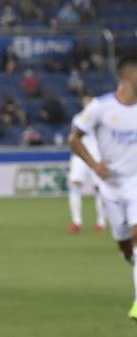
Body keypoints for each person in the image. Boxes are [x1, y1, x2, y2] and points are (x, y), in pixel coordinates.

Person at [70, 52, 137, 320]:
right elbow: (74, 139)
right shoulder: (100, 107)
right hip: (110, 184)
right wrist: (95, 164)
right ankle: (130, 260)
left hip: (136, 182)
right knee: (123, 242)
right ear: (129, 76)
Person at [66, 97, 108, 234]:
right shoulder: (77, 118)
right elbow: (74, 137)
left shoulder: (102, 119)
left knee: (99, 188)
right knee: (75, 184)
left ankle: (101, 222)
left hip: (97, 155)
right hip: (80, 156)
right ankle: (77, 222)